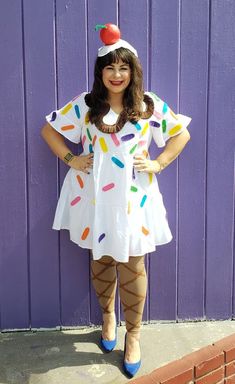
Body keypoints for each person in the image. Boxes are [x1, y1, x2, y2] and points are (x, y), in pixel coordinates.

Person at [41, 26, 191, 378]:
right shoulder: (86, 104)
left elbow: (180, 134)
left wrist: (158, 163)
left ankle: (134, 335)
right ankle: (108, 318)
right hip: (95, 196)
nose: (117, 74)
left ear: (132, 70)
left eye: (123, 67)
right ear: (101, 71)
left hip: (134, 197)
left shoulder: (147, 104)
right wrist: (71, 158)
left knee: (133, 262)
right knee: (102, 257)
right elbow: (49, 130)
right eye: (110, 67)